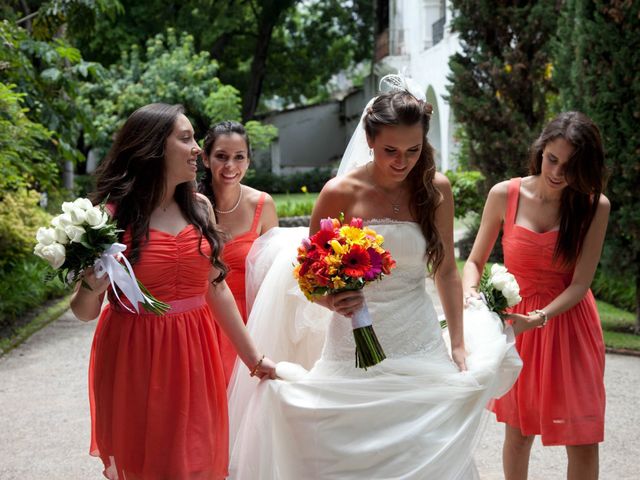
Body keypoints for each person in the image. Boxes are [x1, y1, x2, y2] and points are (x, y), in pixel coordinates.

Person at [226, 76, 523, 479]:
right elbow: (309, 275)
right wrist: (330, 300)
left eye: (413, 151)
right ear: (369, 139)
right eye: (391, 151)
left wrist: (456, 344)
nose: (402, 161)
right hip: (353, 336)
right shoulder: (340, 192)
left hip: (416, 333)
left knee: (423, 442)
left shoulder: (435, 189)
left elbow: (447, 272)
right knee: (345, 445)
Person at [69, 103, 276, 480]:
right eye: (186, 139)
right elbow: (84, 310)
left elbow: (217, 291)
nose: (198, 148)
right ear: (153, 148)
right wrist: (90, 284)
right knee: (150, 464)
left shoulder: (200, 208)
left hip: (196, 353)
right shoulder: (111, 217)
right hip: (135, 355)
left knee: (195, 459)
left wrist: (254, 360)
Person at [462, 111, 609, 480]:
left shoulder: (595, 207)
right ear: (540, 150)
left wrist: (541, 317)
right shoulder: (504, 194)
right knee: (518, 432)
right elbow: (475, 261)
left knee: (582, 437)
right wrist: (470, 294)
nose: (558, 173)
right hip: (518, 327)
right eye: (552, 159)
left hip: (569, 323)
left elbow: (580, 284)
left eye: (571, 166)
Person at [198, 121, 278, 384]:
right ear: (206, 159)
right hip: (201, 321)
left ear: (248, 161)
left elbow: (272, 272)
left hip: (249, 321)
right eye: (221, 156)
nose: (230, 165)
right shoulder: (191, 205)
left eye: (238, 157)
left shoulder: (262, 205)